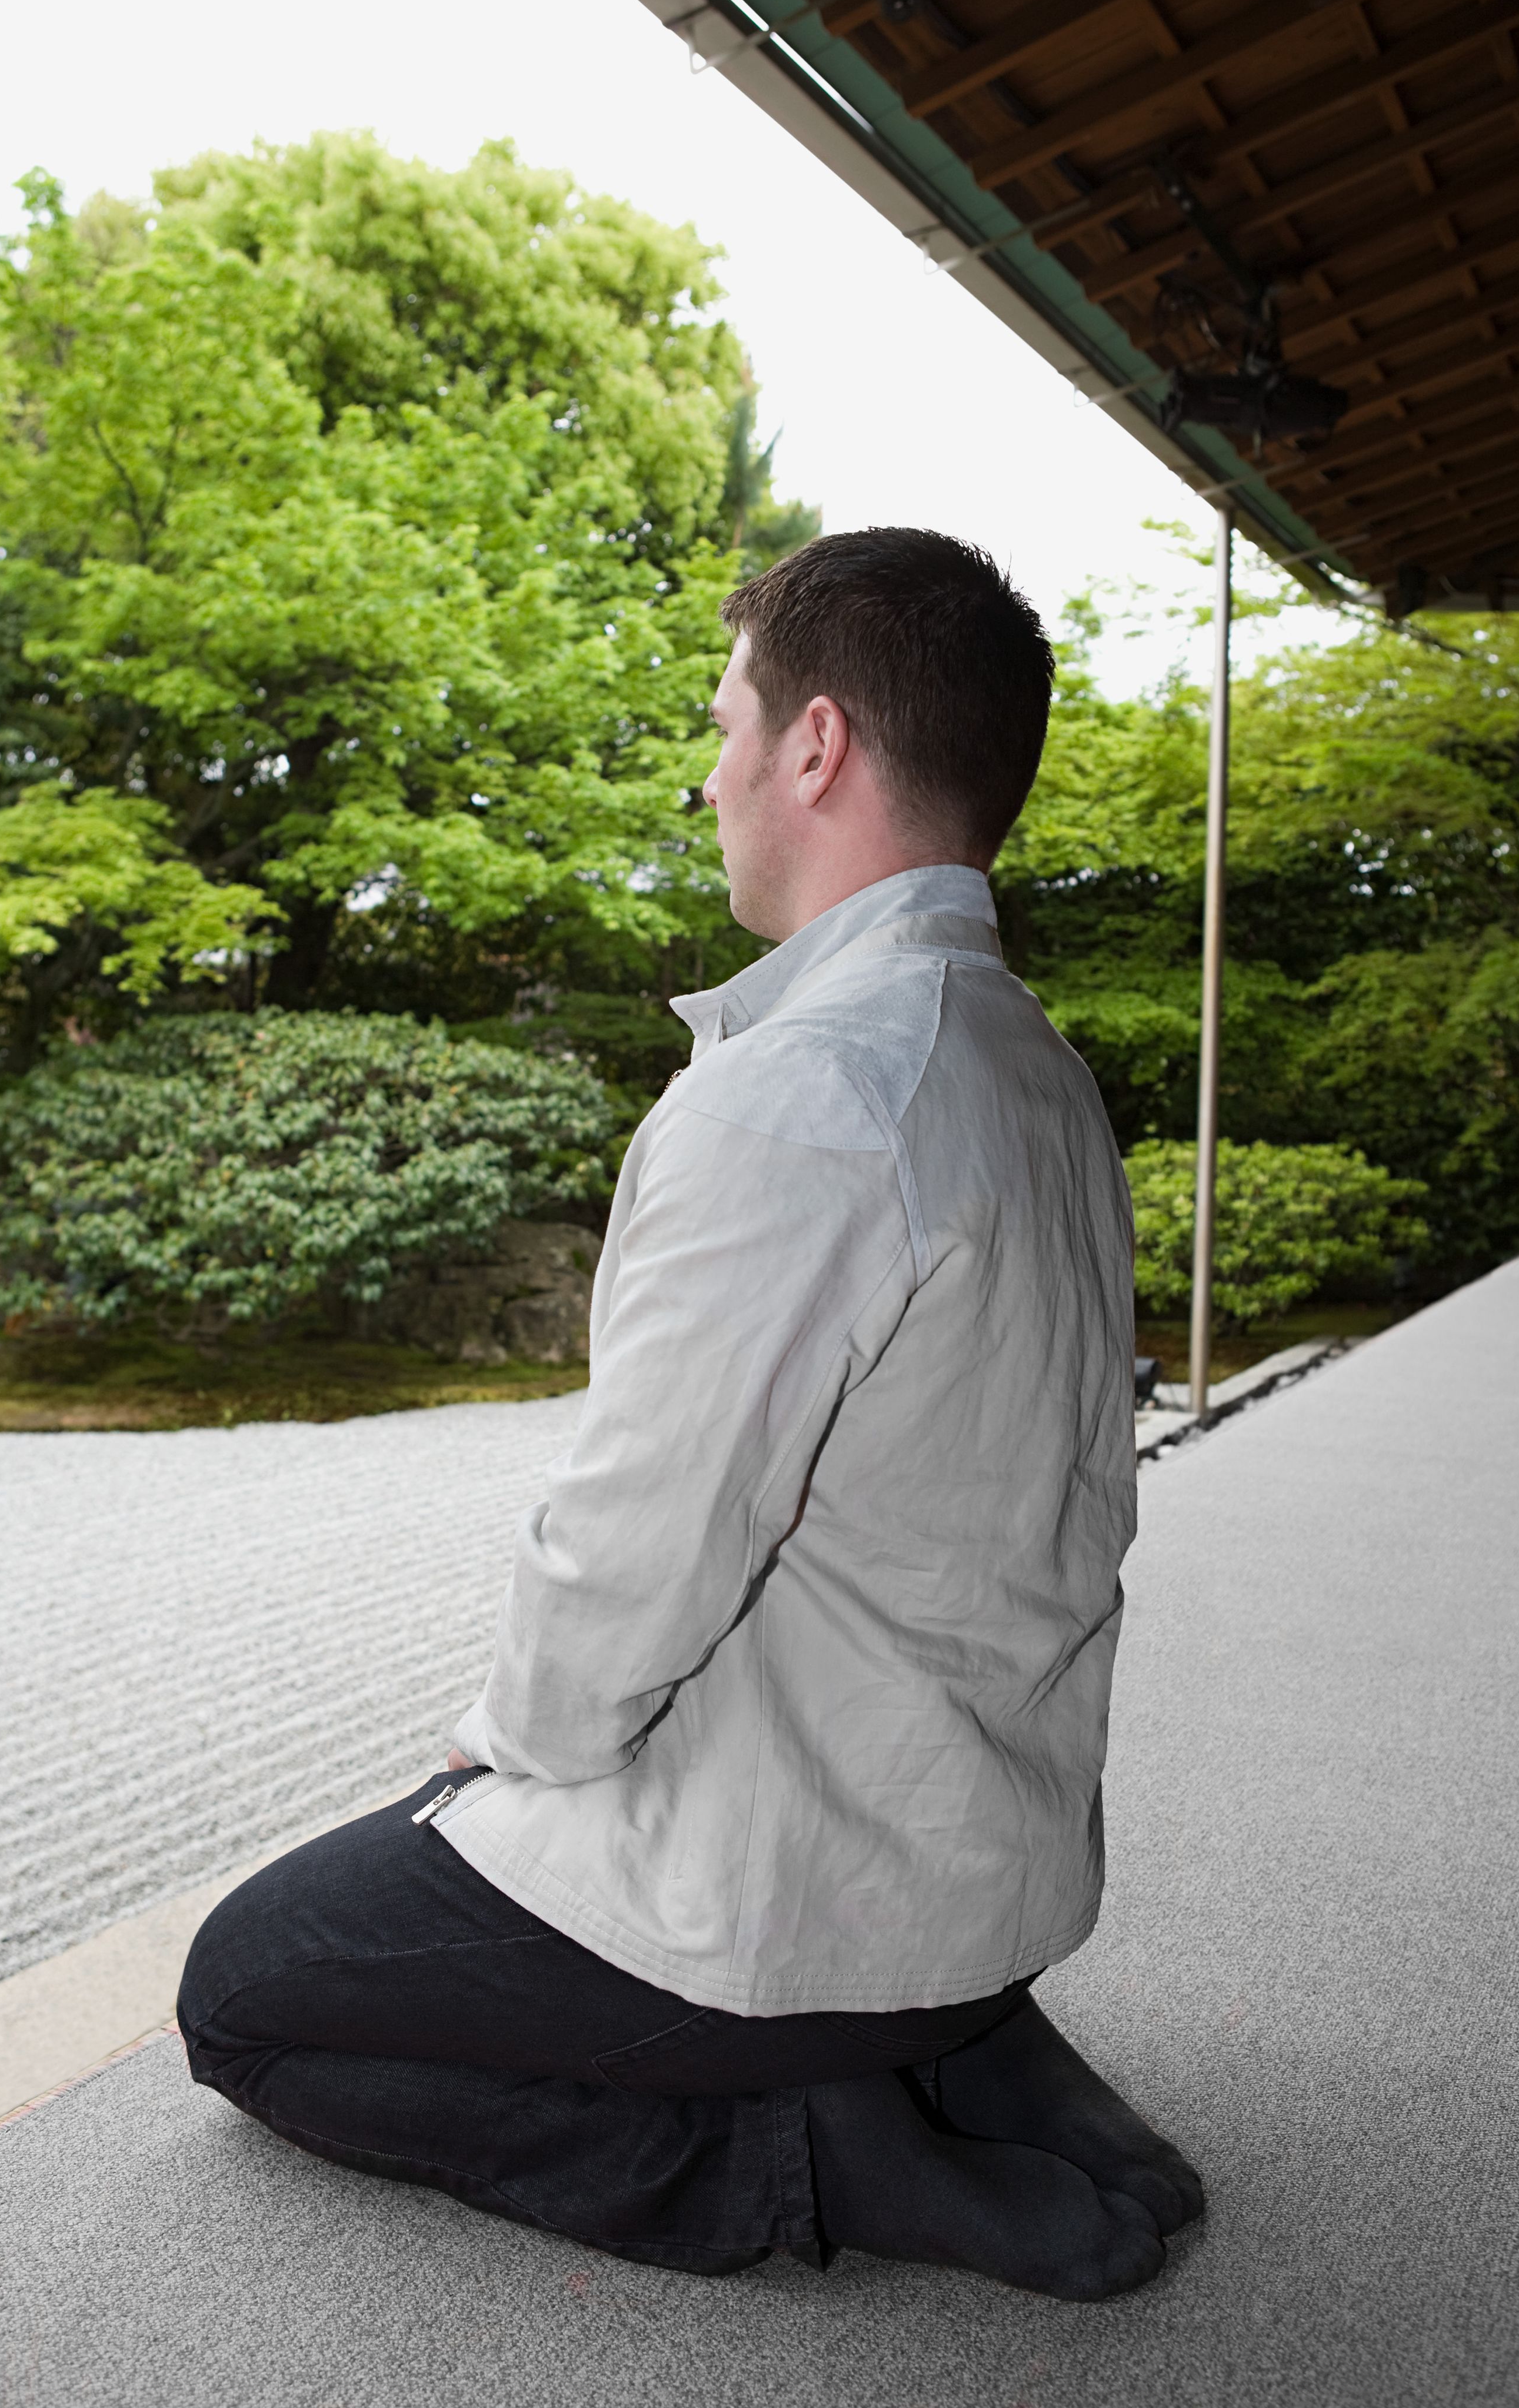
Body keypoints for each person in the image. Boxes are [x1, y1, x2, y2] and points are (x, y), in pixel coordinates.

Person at [178, 527, 1202, 2295]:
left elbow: (632, 1561)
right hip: (988, 1869)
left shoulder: (809, 1093)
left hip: (790, 1899)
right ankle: (956, 2047)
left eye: (726, 721)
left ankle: (804, 2149)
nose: (705, 770)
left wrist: (499, 1748)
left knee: (248, 1995)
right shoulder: (1035, 1070)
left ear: (816, 747)